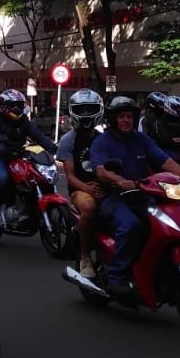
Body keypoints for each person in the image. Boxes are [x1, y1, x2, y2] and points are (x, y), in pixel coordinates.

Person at [89, 95, 180, 298]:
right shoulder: (102, 142)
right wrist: (119, 181)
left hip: (141, 195)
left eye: (130, 117)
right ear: (113, 119)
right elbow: (100, 171)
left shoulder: (141, 139)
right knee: (131, 226)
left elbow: (164, 160)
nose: (126, 120)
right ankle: (117, 277)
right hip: (113, 197)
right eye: (122, 117)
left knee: (166, 225)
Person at [0, 89, 56, 218]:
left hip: (16, 156)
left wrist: (53, 148)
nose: (16, 108)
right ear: (4, 106)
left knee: (34, 175)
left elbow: (38, 135)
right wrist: (4, 149)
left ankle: (26, 206)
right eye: (12, 105)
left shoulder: (23, 121)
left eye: (19, 105)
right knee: (3, 177)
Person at [56, 88, 105, 279]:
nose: (85, 114)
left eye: (89, 109)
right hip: (80, 191)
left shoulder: (103, 139)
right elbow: (70, 176)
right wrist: (87, 188)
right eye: (81, 109)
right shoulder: (68, 141)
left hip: (106, 187)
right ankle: (85, 256)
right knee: (90, 207)